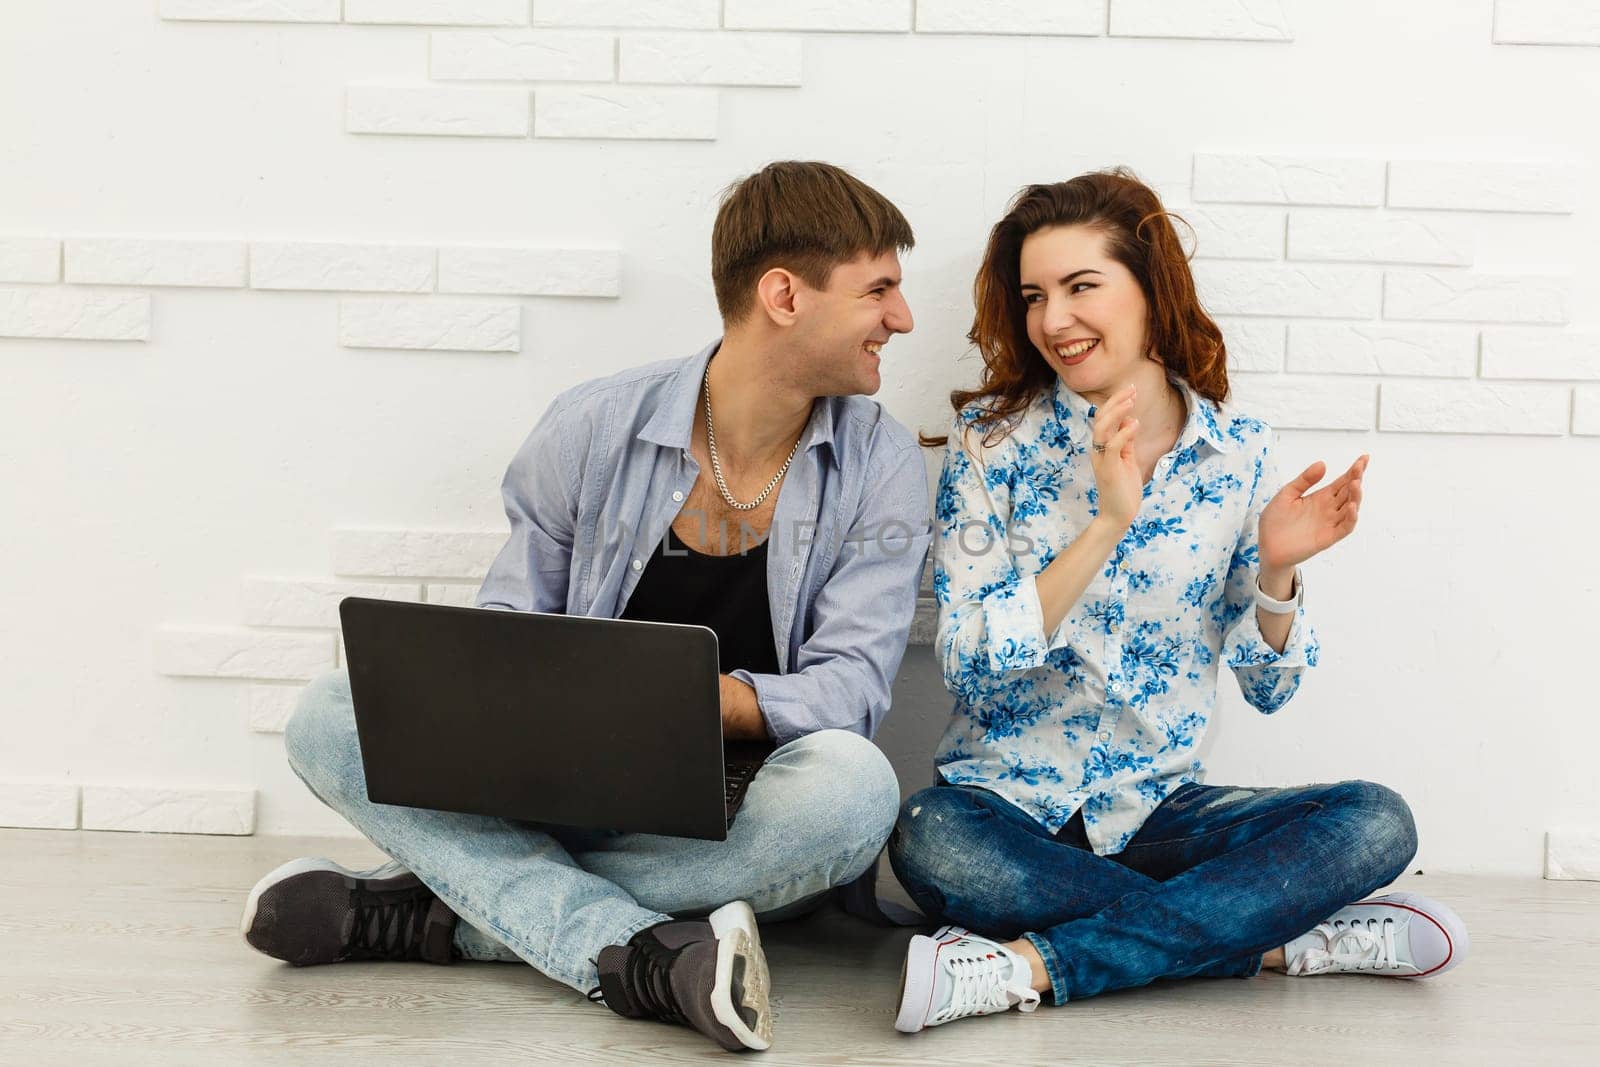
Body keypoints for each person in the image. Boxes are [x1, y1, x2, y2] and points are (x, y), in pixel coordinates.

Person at [240, 161, 932, 1053]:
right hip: (553, 783)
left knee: (856, 790)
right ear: (784, 295)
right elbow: (506, 632)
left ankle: (451, 909)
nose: (902, 318)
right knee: (327, 714)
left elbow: (852, 691)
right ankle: (635, 950)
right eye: (879, 290)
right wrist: (544, 696)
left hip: (738, 808)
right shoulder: (593, 426)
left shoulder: (880, 464)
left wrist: (698, 700)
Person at [887, 168, 1468, 1033]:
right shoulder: (991, 443)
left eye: (1083, 286)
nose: (1054, 320)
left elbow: (1271, 689)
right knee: (928, 835)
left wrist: (1277, 575)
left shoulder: (1237, 453)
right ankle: (1270, 939)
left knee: (1377, 821)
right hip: (1002, 808)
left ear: (1151, 290)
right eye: (1036, 295)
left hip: (1160, 808)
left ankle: (1027, 963)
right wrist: (1106, 524)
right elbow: (969, 668)